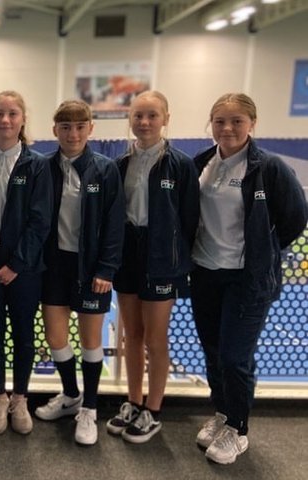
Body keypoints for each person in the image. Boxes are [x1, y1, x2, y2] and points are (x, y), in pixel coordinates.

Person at [190, 93, 307, 464]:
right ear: (211, 124)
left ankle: (238, 429)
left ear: (252, 124)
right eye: (220, 121)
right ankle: (223, 413)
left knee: (235, 357)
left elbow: (294, 220)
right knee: (212, 352)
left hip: (247, 280)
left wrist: (262, 254)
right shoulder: (201, 164)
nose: (227, 128)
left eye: (236, 121)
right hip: (205, 274)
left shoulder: (268, 168)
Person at [106, 91, 199, 443]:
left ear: (165, 118)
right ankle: (133, 402)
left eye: (152, 116)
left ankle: (153, 411)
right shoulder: (119, 164)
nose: (144, 122)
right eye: (138, 116)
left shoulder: (180, 165)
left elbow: (190, 219)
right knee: (132, 336)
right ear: (130, 118)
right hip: (128, 254)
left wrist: (177, 260)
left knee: (156, 338)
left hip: (162, 260)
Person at [33, 100, 125, 446]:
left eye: (79, 126)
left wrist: (106, 268)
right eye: (66, 127)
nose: (73, 133)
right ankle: (71, 395)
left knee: (90, 342)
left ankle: (90, 408)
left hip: (91, 269)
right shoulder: (42, 167)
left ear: (90, 129)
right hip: (54, 265)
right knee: (56, 337)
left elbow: (115, 224)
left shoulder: (104, 170)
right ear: (55, 129)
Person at [0, 90, 52, 435]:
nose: (5, 120)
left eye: (12, 114)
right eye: (0, 113)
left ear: (22, 120)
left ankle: (20, 398)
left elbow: (40, 221)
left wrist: (16, 265)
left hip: (25, 267)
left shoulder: (37, 166)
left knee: (23, 334)